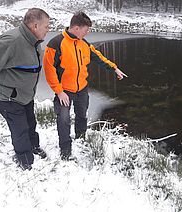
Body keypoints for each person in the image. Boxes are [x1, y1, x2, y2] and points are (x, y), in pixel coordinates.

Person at [43, 11, 127, 160]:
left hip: (82, 89)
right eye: (86, 29)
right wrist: (59, 91)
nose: (88, 32)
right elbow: (49, 71)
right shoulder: (55, 44)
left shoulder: (84, 44)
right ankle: (66, 151)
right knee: (63, 120)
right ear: (76, 28)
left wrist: (114, 68)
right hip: (64, 91)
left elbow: (98, 57)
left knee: (82, 116)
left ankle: (81, 139)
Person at [0, 8, 50, 170]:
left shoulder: (33, 41)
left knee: (30, 122)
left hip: (24, 95)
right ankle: (25, 161)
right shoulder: (11, 41)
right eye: (46, 26)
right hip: (7, 96)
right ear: (35, 25)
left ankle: (33, 147)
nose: (48, 29)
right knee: (19, 129)